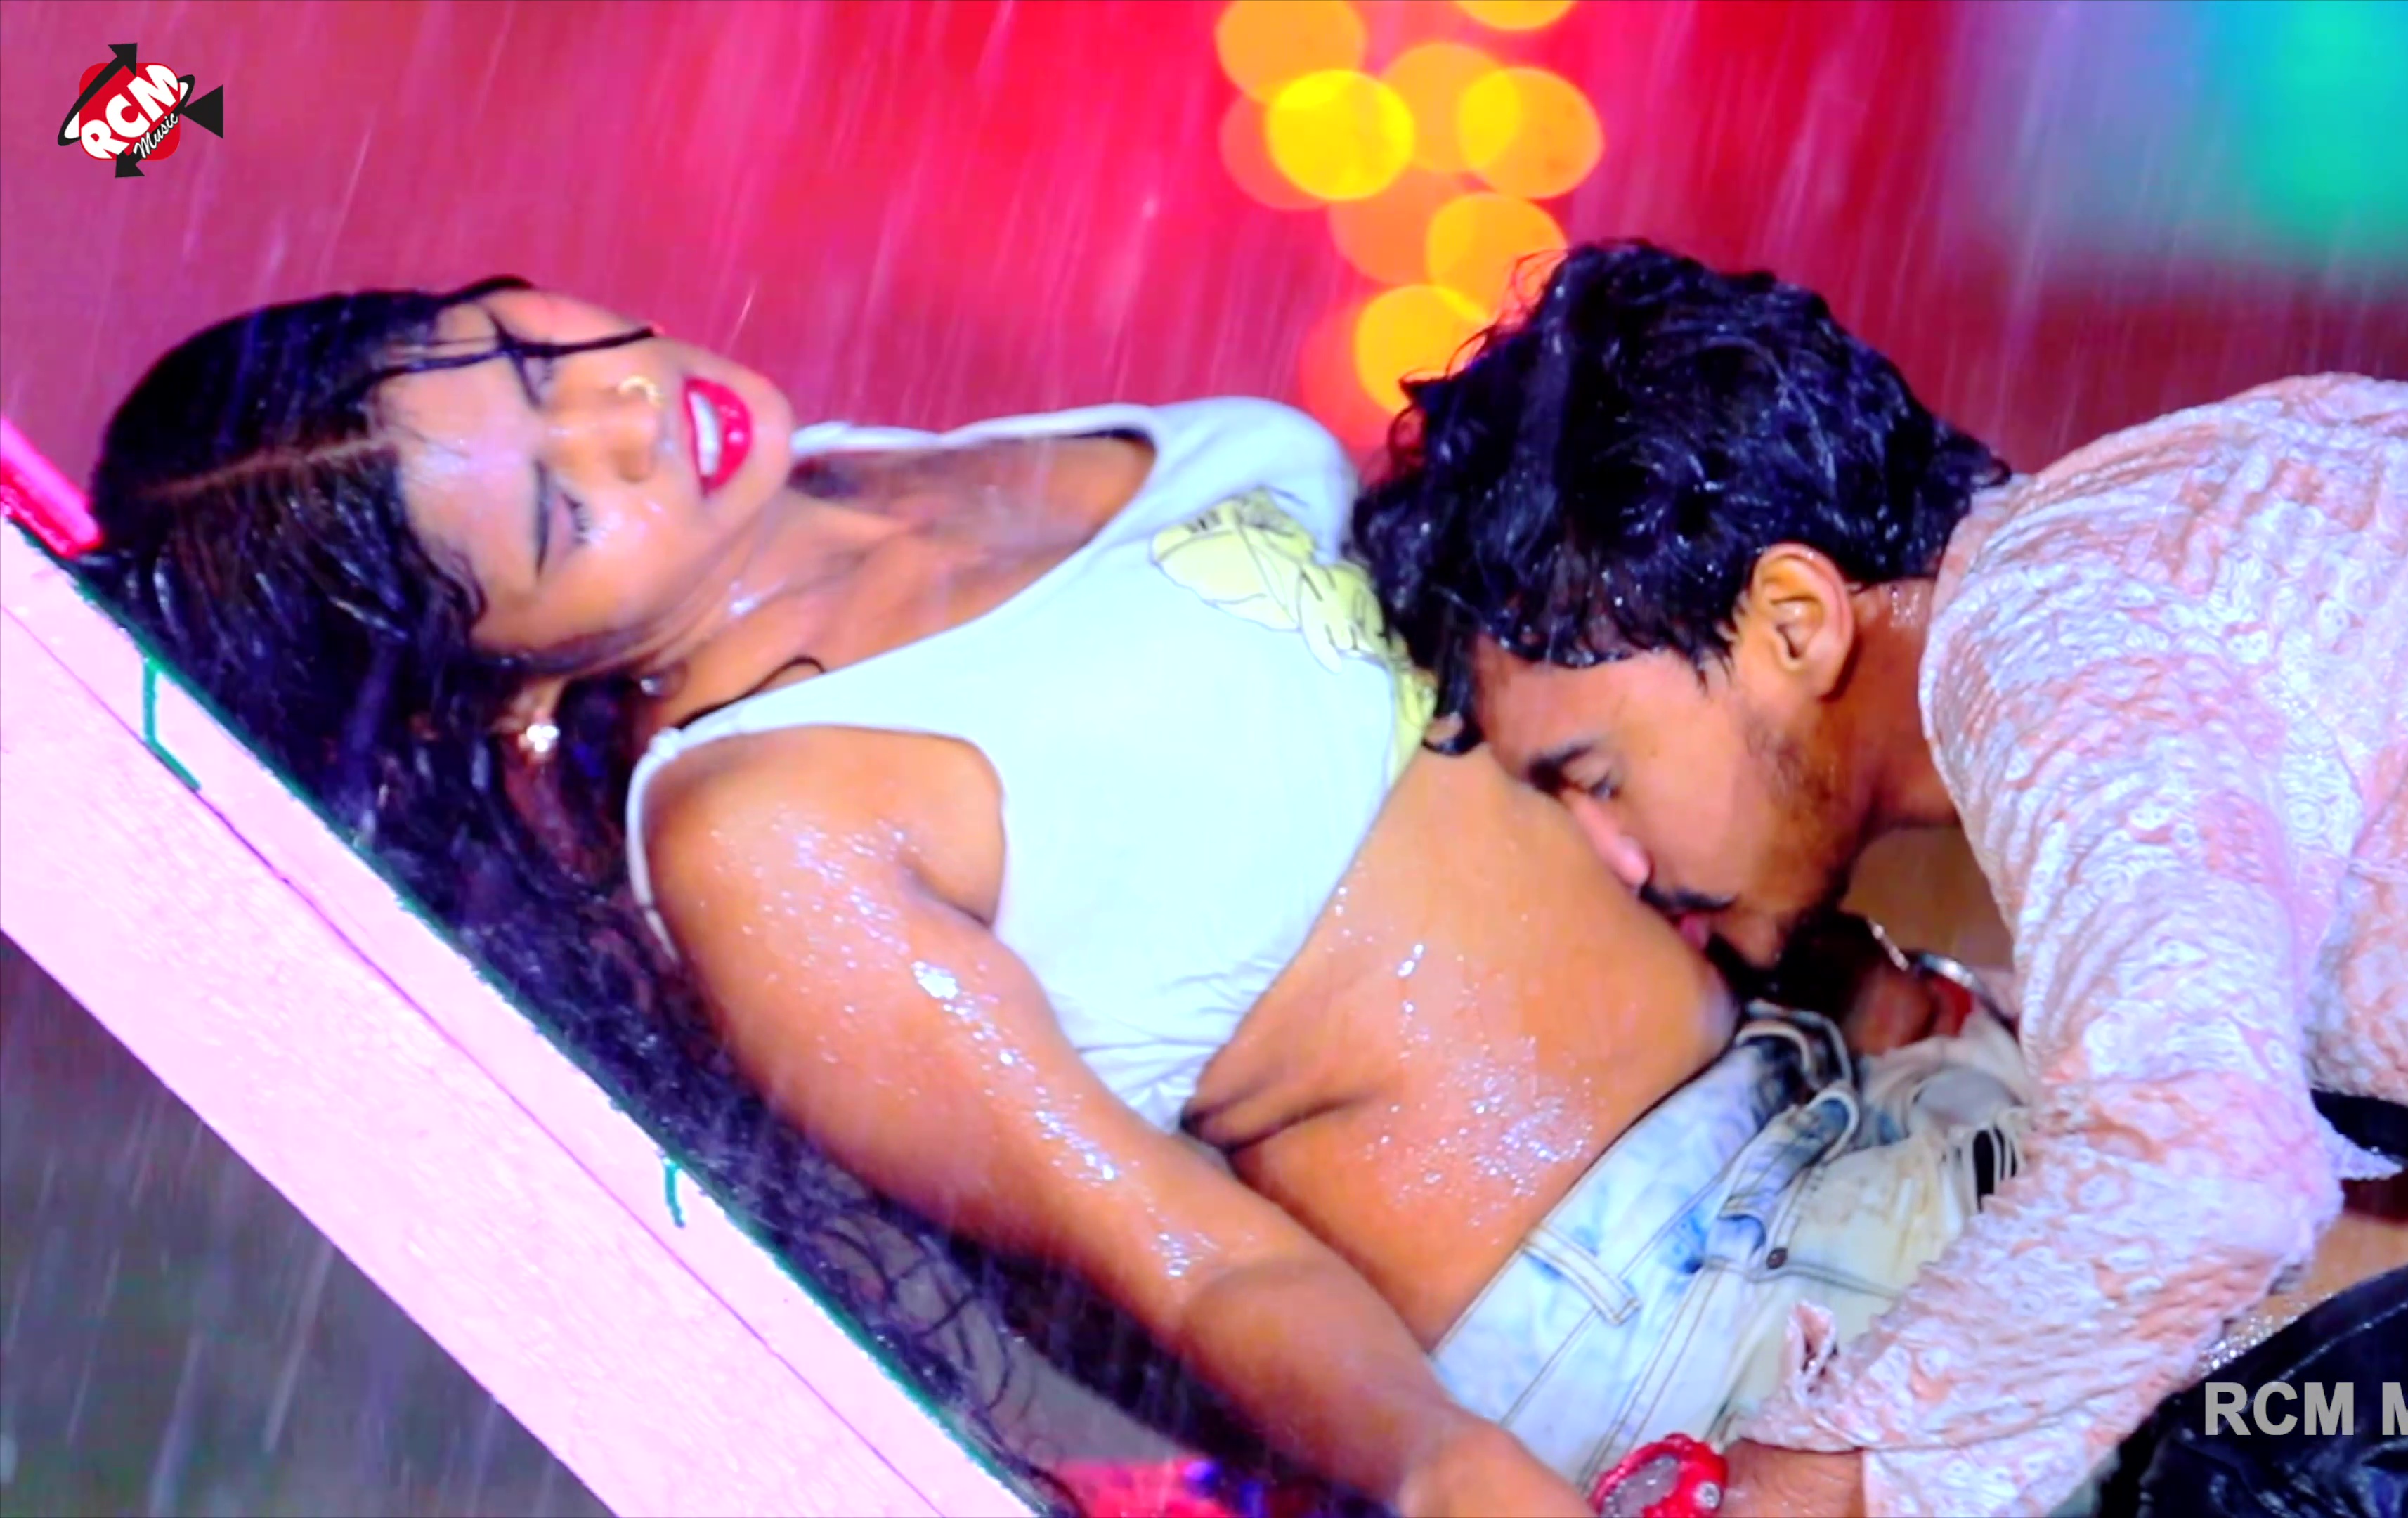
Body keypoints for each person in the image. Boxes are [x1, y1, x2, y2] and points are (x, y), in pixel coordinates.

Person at [70, 277, 2038, 1516]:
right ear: (511, 681)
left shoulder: (860, 467)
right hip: (1677, 1319)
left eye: (525, 353)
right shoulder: (762, 836)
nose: (619, 417)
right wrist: (1452, 1479)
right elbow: (1186, 1263)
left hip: (1857, 1094)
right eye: (563, 512)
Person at [1351, 240, 2408, 1516]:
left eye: (1594, 776)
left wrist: (1810, 1474)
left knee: (2289, 1467)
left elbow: (2199, 1175)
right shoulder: (2137, 528)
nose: (1612, 856)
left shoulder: (2052, 637)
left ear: (1794, 625)